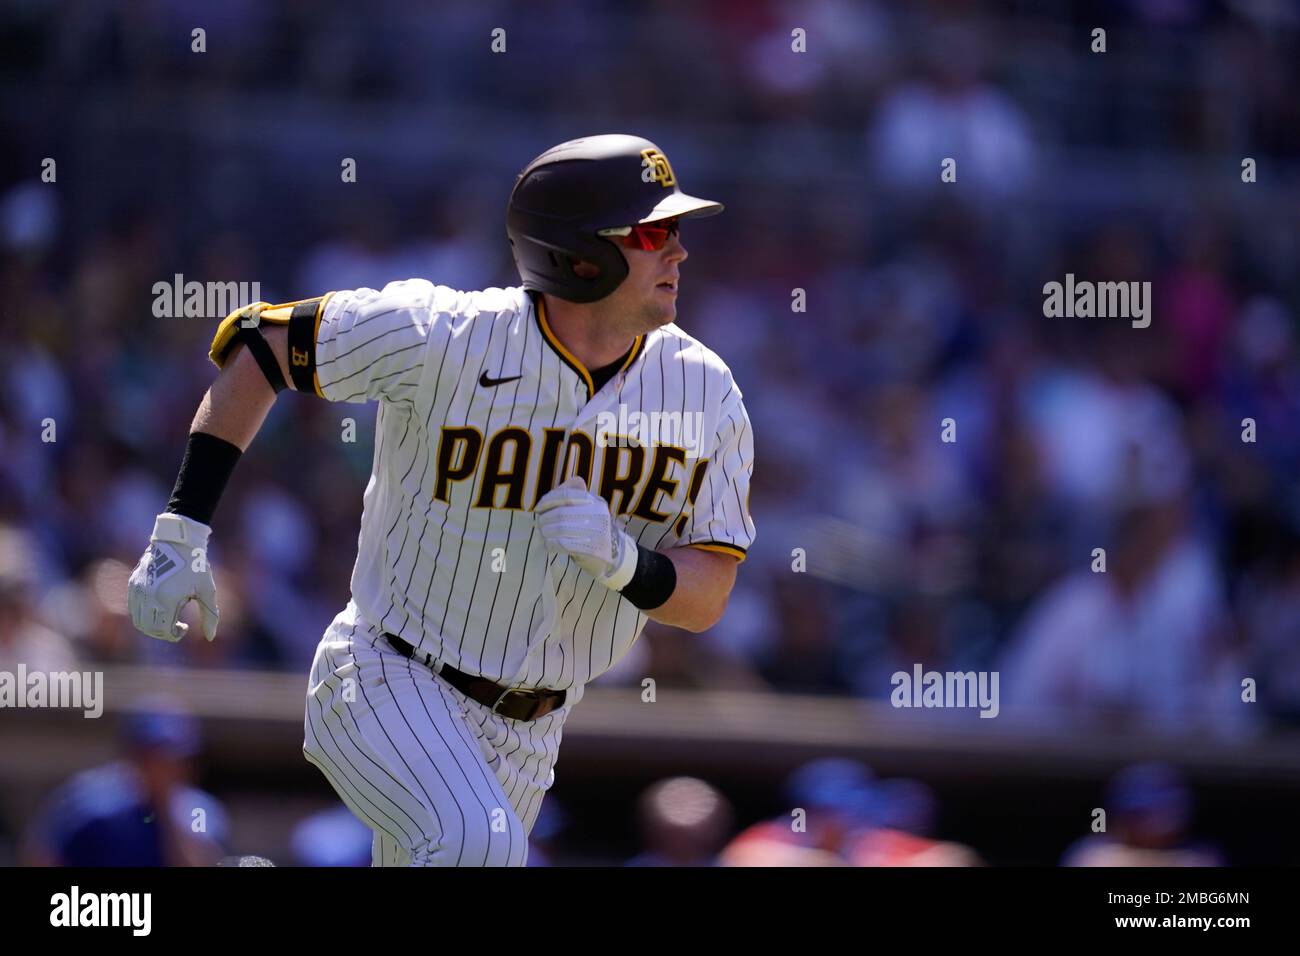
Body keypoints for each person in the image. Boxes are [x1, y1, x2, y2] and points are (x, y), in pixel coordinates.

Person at [127, 134, 756, 866]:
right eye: (653, 233)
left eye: (677, 231)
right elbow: (262, 348)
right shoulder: (446, 335)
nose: (678, 251)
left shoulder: (703, 389)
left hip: (534, 728)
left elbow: (709, 594)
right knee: (476, 845)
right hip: (388, 673)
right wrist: (181, 527)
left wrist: (626, 565)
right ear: (580, 254)